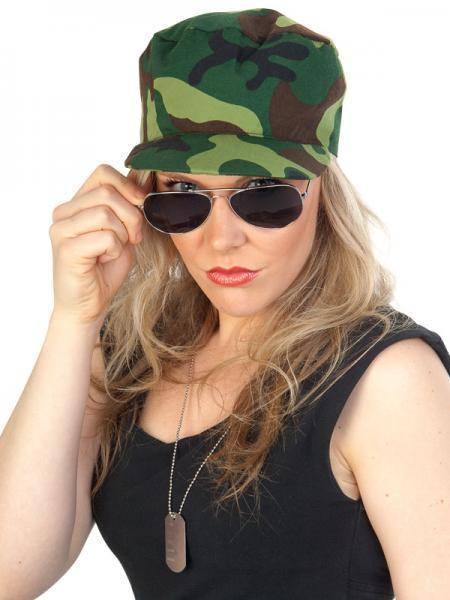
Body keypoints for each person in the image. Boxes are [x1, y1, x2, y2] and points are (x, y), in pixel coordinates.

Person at [1, 8, 449, 599]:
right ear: (143, 196)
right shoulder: (131, 359)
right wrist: (75, 316)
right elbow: (9, 571)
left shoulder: (387, 378)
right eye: (184, 194)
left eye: (263, 195)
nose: (222, 239)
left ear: (321, 190)